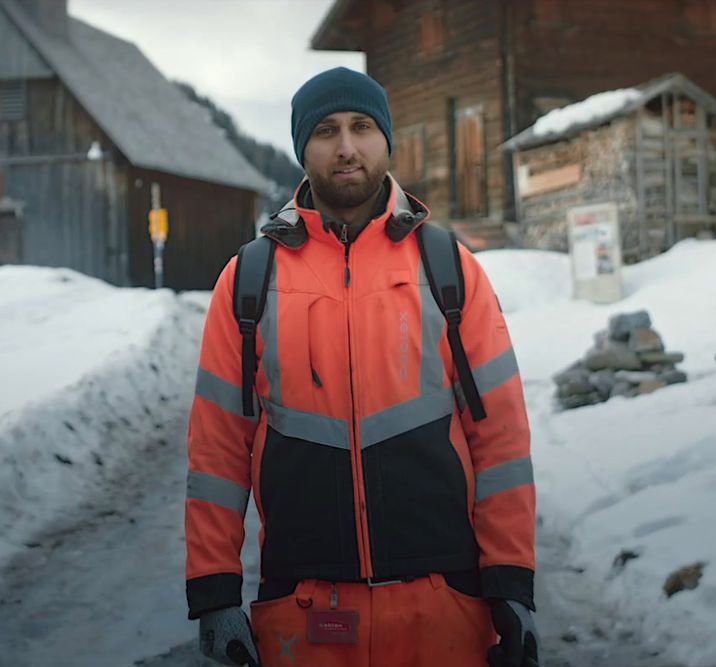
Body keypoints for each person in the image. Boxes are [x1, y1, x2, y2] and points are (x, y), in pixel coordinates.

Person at [184, 67, 538, 667]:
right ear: (303, 149)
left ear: (385, 140)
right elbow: (218, 449)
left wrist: (510, 580)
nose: (346, 146)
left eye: (361, 126)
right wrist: (216, 593)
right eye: (325, 130)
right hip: (302, 611)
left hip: (445, 605)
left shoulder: (449, 268)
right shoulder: (248, 280)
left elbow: (500, 437)